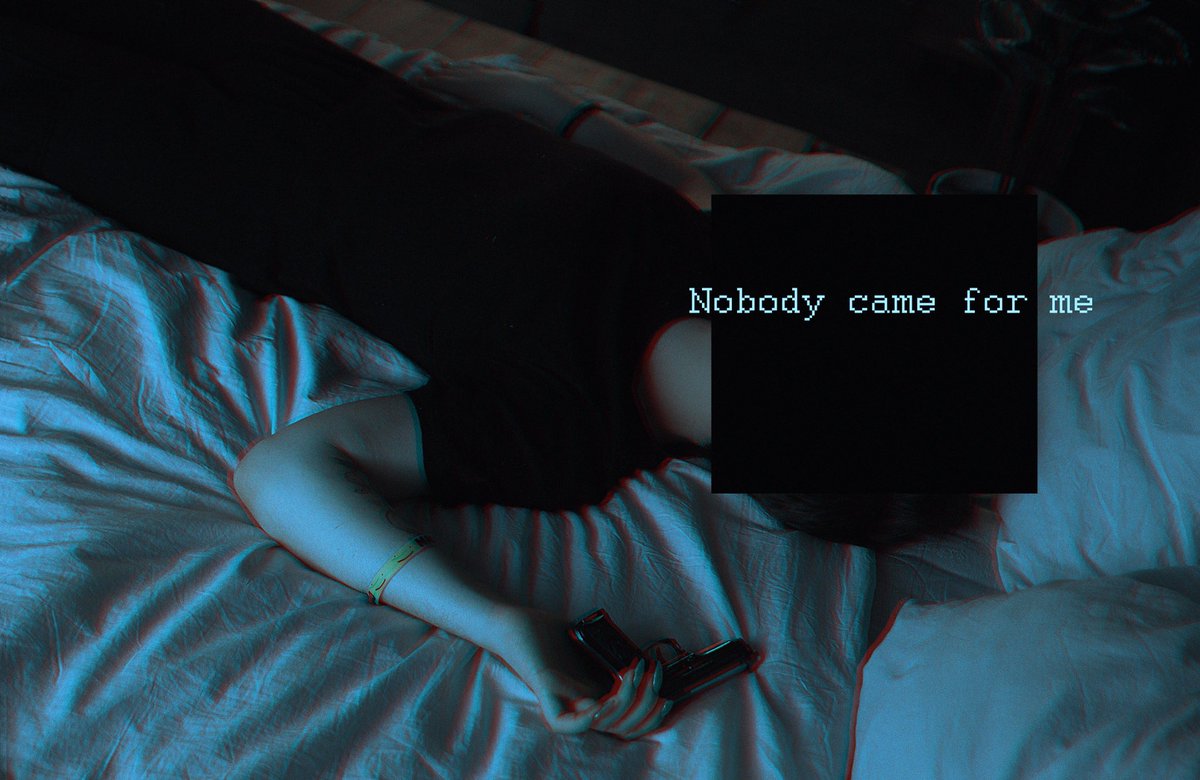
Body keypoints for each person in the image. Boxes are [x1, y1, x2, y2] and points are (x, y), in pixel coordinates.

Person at [0, 0, 720, 739]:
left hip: (210, 165)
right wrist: (549, 106)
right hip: (314, 76)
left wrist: (500, 625)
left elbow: (281, 474)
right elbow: (685, 183)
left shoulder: (571, 430)